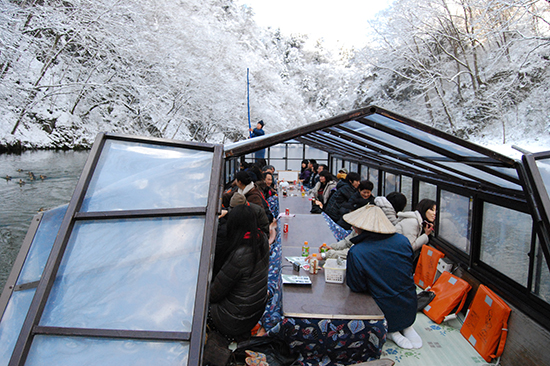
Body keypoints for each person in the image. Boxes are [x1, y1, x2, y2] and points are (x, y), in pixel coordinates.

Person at [344, 205, 421, 349]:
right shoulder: (403, 241)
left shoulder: (357, 252)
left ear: (360, 228)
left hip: (383, 310)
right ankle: (406, 326)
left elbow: (357, 287)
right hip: (409, 303)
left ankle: (391, 330)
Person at [209, 204, 270, 339]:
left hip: (233, 320)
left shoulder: (240, 255)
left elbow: (213, 294)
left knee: (199, 305)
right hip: (254, 312)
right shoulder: (262, 240)